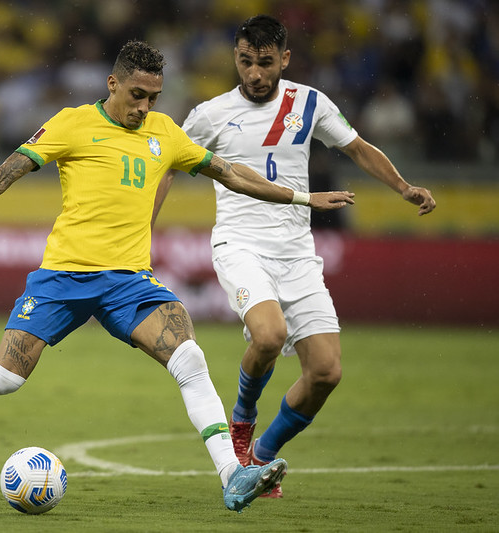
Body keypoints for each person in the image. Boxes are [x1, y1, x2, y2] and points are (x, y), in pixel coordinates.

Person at [0, 40, 354, 512]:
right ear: (113, 84)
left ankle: (233, 475)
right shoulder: (72, 123)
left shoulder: (165, 133)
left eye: (153, 98)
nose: (144, 108)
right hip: (63, 278)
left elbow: (231, 173)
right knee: (4, 379)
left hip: (129, 283)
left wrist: (301, 198)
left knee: (190, 358)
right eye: (137, 95)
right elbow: (5, 173)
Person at [156, 15, 437, 498]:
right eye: (246, 61)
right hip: (240, 245)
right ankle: (241, 422)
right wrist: (144, 226)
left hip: (297, 254)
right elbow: (167, 167)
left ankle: (261, 457)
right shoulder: (209, 114)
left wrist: (403, 187)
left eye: (265, 63)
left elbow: (357, 148)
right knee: (269, 335)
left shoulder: (310, 103)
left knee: (326, 372)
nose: (255, 73)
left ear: (284, 59)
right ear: (236, 57)